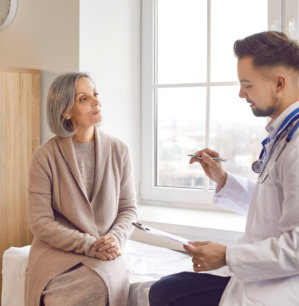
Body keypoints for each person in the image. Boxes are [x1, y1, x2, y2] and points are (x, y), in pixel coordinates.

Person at [149, 31, 299, 306]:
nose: (241, 93)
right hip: (257, 273)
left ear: (279, 83)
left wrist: (228, 256)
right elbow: (273, 204)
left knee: (168, 294)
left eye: (247, 84)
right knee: (166, 291)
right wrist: (223, 178)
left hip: (279, 285)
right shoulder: (284, 135)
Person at [25, 73, 137, 306]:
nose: (96, 102)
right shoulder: (44, 157)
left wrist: (114, 239)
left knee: (101, 283)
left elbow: (128, 209)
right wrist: (88, 245)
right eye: (84, 99)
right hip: (57, 252)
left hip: (105, 251)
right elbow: (41, 223)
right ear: (65, 111)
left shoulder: (120, 151)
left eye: (95, 95)